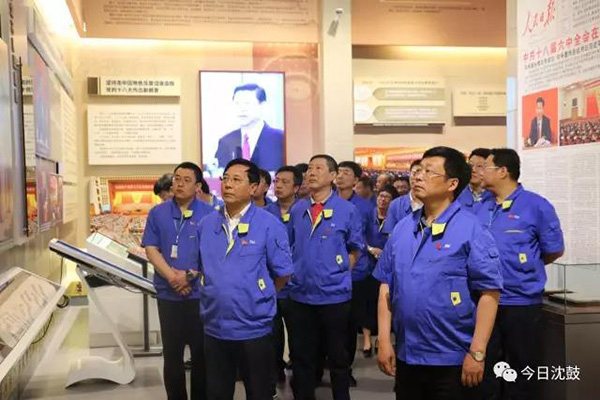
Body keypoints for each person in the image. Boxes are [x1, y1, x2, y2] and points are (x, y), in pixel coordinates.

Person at [375, 146, 503, 400]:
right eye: (418, 170)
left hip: (453, 357)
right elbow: (386, 286)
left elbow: (489, 293)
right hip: (408, 354)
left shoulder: (471, 229)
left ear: (452, 184)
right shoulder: (403, 228)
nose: (418, 176)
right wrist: (385, 340)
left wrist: (477, 352)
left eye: (429, 172)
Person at [197, 158, 293, 400]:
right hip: (215, 326)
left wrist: (260, 294)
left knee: (259, 392)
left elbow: (283, 272)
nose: (228, 184)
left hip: (254, 328)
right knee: (217, 393)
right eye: (225, 178)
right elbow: (201, 268)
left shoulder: (269, 225)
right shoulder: (206, 225)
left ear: (252, 188)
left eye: (236, 180)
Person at [478, 148, 564, 400]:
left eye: (486, 167)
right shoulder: (480, 207)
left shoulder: (536, 206)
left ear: (503, 171)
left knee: (521, 371)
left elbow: (553, 250)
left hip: (521, 303)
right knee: (486, 371)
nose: (480, 172)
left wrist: (525, 268)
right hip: (484, 301)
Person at [287, 154, 364, 400]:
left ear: (332, 176)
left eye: (318, 168)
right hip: (300, 295)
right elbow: (289, 246)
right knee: (302, 357)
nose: (311, 172)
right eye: (309, 168)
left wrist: (339, 271)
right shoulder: (298, 209)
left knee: (338, 358)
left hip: (334, 296)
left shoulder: (347, 210)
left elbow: (355, 247)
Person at [142, 162, 215, 400]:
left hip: (199, 296)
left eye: (186, 180)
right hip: (168, 294)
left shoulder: (210, 214)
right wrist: (172, 276)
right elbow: (151, 248)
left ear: (198, 186)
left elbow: (213, 254)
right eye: (176, 179)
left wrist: (189, 276)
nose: (179, 184)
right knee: (172, 355)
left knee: (201, 354)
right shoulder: (158, 212)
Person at [336, 161, 375, 387]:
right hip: (328, 274)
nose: (341, 176)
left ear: (356, 180)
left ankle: (345, 368)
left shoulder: (365, 207)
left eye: (346, 173)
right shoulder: (325, 202)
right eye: (339, 172)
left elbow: (369, 238)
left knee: (350, 324)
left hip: (356, 273)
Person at [264, 165, 303, 384]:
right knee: (273, 334)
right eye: (276, 181)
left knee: (299, 336)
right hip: (273, 284)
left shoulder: (305, 211)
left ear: (296, 187)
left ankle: (301, 376)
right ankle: (275, 372)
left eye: (284, 182)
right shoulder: (266, 213)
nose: (278, 185)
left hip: (298, 286)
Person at [362, 184, 399, 357]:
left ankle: (381, 338)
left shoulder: (394, 218)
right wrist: (370, 249)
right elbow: (359, 235)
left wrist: (385, 253)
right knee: (367, 302)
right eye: (380, 196)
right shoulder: (368, 215)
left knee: (384, 301)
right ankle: (367, 339)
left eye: (387, 197)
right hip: (368, 263)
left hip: (387, 264)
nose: (382, 200)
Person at [214, 84, 284, 170]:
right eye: (237, 104)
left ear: (262, 105)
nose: (242, 109)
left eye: (247, 103)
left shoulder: (280, 138)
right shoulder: (226, 141)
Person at [382, 159, 423, 235]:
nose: (417, 178)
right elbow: (390, 235)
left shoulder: (435, 204)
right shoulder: (395, 205)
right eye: (414, 173)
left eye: (421, 174)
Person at [457, 148, 494, 215]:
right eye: (470, 165)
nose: (473, 170)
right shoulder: (457, 195)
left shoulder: (496, 197)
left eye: (479, 166)